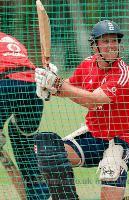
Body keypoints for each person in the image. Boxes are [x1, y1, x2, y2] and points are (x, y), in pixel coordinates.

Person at [34, 20, 129, 200]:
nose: (111, 46)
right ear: (94, 46)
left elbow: (93, 101)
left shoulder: (124, 74)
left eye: (114, 41)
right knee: (49, 150)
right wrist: (49, 87)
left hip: (118, 140)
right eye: (105, 41)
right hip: (93, 136)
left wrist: (58, 85)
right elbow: (70, 88)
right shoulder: (87, 65)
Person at [0, 31, 56, 199]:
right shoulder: (11, 39)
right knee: (24, 144)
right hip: (33, 88)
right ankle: (39, 195)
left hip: (6, 84)